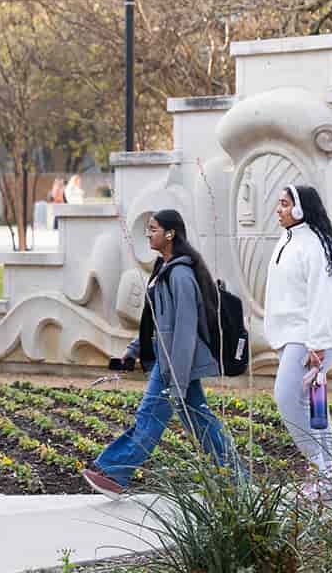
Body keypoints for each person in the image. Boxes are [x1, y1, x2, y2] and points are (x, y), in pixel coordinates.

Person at [83, 209, 242, 496]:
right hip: (169, 360)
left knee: (149, 417)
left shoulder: (180, 274)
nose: (148, 233)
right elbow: (154, 322)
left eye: (153, 228)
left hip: (173, 364)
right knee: (201, 420)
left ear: (170, 234)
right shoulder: (163, 268)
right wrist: (133, 351)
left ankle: (114, 472)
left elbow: (183, 331)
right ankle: (236, 477)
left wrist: (176, 378)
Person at [265, 184, 332, 483]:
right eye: (280, 203)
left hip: (310, 337)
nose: (279, 209)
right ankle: (324, 476)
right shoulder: (288, 239)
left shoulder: (316, 244)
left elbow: (323, 296)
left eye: (285, 204)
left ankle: (318, 468)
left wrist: (317, 344)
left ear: (301, 209)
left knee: (287, 398)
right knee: (314, 406)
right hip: (292, 335)